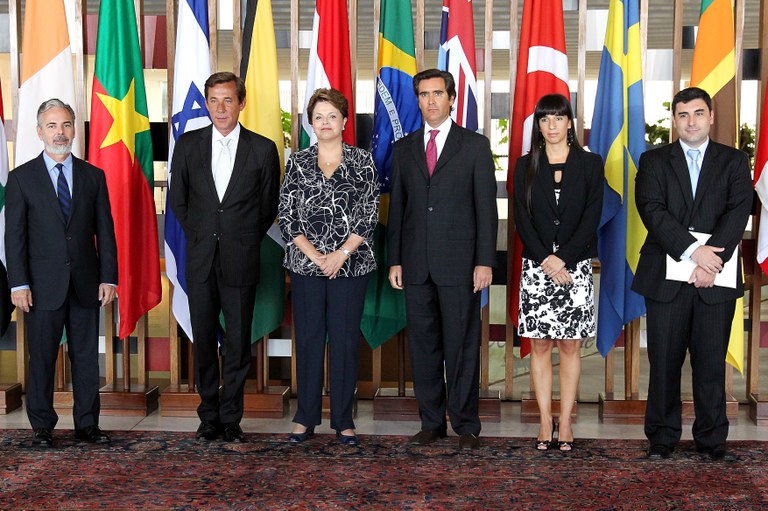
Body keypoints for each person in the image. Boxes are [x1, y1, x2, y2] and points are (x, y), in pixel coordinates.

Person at [633, 87, 752, 461]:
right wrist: (693, 252)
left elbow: (738, 211)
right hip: (666, 279)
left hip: (716, 278)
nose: (691, 121)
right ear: (674, 120)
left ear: (711, 116)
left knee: (710, 361)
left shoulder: (734, 161)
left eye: (698, 113)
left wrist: (710, 261)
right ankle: (662, 438)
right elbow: (651, 209)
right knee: (664, 361)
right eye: (683, 115)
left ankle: (713, 439)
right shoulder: (653, 160)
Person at [387, 69, 498, 450]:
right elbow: (398, 210)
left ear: (452, 98)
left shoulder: (474, 146)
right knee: (424, 346)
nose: (430, 101)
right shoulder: (403, 149)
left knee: (462, 346)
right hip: (416, 265)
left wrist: (485, 261)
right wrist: (395, 260)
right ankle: (431, 423)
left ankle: (466, 425)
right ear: (417, 100)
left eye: (437, 93)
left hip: (461, 265)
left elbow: (487, 209)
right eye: (423, 94)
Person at [169, 72, 280, 443]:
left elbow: (267, 209)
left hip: (240, 257)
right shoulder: (187, 145)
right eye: (213, 100)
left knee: (237, 344)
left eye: (228, 100)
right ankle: (208, 416)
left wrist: (239, 236)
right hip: (200, 258)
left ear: (241, 103)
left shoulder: (262, 149)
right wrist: (202, 235)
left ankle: (231, 417)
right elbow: (179, 203)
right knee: (202, 340)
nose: (220, 108)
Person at [5, 99, 118, 447]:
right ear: (40, 132)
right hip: (40, 287)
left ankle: (88, 426)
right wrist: (19, 283)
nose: (60, 132)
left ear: (74, 130)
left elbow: (106, 231)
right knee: (41, 358)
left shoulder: (93, 176)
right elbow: (15, 237)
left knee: (85, 358)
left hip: (86, 284)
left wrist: (109, 277)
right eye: (52, 126)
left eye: (66, 125)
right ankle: (42, 427)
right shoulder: (21, 178)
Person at [279, 88, 379, 446]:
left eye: (332, 116)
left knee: (344, 341)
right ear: (310, 123)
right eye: (318, 117)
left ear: (344, 122)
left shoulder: (363, 161)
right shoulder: (297, 162)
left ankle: (343, 420)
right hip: (305, 266)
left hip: (351, 267)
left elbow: (369, 214)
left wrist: (340, 254)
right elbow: (288, 216)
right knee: (307, 341)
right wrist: (315, 255)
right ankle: (305, 417)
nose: (325, 123)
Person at [512, 94, 603, 451]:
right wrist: (545, 259)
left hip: (575, 267)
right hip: (537, 269)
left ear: (570, 123)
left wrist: (562, 258)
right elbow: (523, 217)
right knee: (539, 345)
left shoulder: (591, 164)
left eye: (558, 118)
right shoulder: (524, 165)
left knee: (569, 346)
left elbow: (591, 217)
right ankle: (544, 421)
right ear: (538, 125)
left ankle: (565, 422)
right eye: (544, 119)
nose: (551, 126)